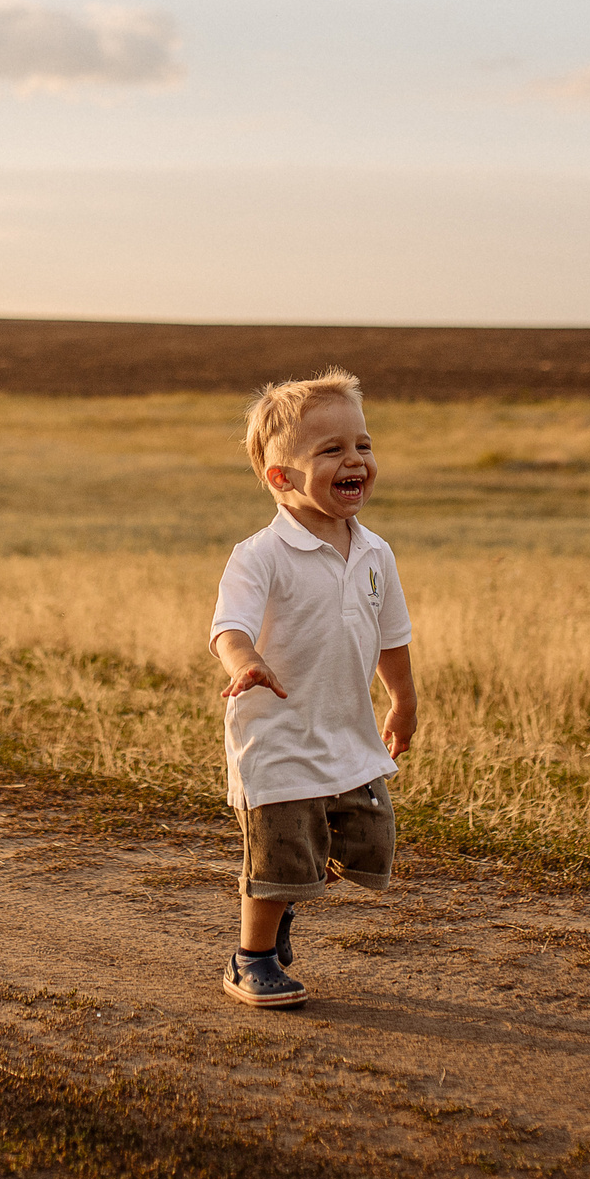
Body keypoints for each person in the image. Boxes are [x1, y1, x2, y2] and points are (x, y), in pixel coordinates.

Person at [207, 368, 417, 1008]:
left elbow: (392, 636)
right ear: (281, 477)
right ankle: (254, 957)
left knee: (362, 841)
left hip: (346, 732)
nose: (356, 459)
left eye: (363, 445)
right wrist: (244, 663)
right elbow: (228, 627)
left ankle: (287, 901)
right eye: (331, 450)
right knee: (278, 852)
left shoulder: (375, 552)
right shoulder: (260, 555)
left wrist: (403, 700)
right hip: (278, 738)